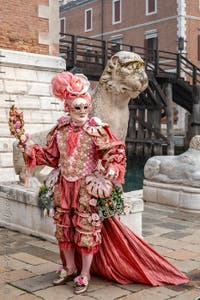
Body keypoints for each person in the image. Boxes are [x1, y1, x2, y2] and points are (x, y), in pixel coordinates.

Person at [19, 71, 189, 295]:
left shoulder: (95, 130)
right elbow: (51, 157)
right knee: (63, 229)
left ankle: (85, 273)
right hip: (63, 186)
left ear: (89, 106)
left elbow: (114, 150)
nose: (81, 111)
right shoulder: (59, 131)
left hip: (86, 188)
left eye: (84, 107)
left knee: (86, 230)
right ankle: (69, 267)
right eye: (76, 107)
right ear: (67, 108)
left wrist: (111, 167)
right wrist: (26, 145)